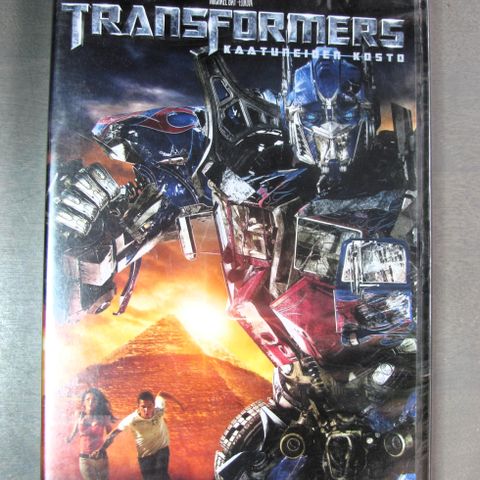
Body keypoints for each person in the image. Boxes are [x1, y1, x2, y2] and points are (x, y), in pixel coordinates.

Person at [93, 390, 170, 480]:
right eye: (143, 407)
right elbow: (115, 432)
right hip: (145, 455)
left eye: (149, 406)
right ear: (138, 407)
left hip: (162, 449)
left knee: (161, 474)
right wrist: (102, 449)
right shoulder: (132, 419)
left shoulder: (159, 410)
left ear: (154, 405)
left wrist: (180, 403)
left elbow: (161, 394)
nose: (146, 410)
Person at [67, 388, 115, 480]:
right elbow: (75, 429)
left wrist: (102, 449)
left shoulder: (103, 417)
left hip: (100, 457)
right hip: (84, 458)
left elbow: (111, 436)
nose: (91, 402)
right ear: (83, 402)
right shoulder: (80, 415)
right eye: (88, 399)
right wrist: (69, 438)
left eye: (94, 400)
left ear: (98, 402)